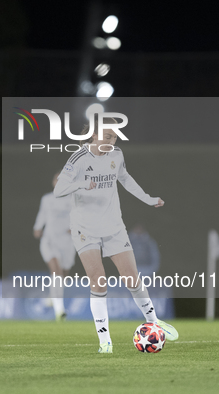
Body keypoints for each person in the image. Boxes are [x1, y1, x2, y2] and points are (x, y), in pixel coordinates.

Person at [53, 121, 178, 354]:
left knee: (132, 278)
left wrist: (148, 198)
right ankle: (105, 342)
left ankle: (155, 321)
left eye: (115, 138)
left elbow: (125, 178)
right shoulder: (78, 159)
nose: (112, 141)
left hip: (113, 226)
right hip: (84, 228)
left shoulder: (117, 155)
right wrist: (81, 184)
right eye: (108, 137)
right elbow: (59, 189)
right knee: (98, 280)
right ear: (94, 135)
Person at [33, 172, 75, 321]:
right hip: (49, 240)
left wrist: (76, 226)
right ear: (53, 182)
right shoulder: (47, 199)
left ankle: (52, 297)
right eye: (57, 179)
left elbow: (81, 215)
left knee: (63, 274)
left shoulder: (73, 199)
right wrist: (37, 227)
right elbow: (42, 214)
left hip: (67, 241)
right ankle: (60, 310)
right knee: (56, 272)